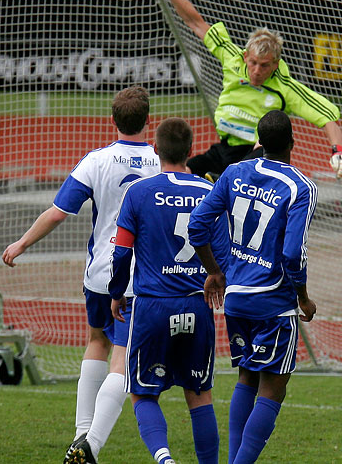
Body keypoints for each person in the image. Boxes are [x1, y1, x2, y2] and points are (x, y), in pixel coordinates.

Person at [1, 86, 160, 463]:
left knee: (96, 342)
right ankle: (91, 446)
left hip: (101, 272)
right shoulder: (161, 161)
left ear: (112, 120)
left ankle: (79, 435)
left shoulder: (96, 160)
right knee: (123, 358)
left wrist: (22, 244)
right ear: (148, 122)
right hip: (142, 277)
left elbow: (58, 212)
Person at [129, 0, 342, 184]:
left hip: (258, 157)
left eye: (264, 66)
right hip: (225, 149)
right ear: (245, 56)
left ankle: (222, 184)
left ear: (275, 65)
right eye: (253, 63)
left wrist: (339, 150)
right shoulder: (231, 57)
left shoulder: (285, 87)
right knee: (180, 173)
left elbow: (327, 117)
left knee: (245, 164)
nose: (257, 71)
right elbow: (195, 22)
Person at [188, 109, 318, 464]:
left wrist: (215, 271)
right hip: (273, 303)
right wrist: (303, 297)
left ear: (258, 143)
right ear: (293, 143)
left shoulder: (233, 173)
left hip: (236, 300)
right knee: (274, 385)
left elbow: (197, 225)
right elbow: (292, 253)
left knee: (247, 374)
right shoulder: (300, 187)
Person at [108, 117, 226, 464]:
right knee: (199, 394)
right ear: (191, 151)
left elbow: (121, 252)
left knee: (142, 394)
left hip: (152, 308)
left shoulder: (139, 193)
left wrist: (117, 293)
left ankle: (164, 458)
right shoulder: (209, 192)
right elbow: (220, 254)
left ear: (155, 149)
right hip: (197, 306)